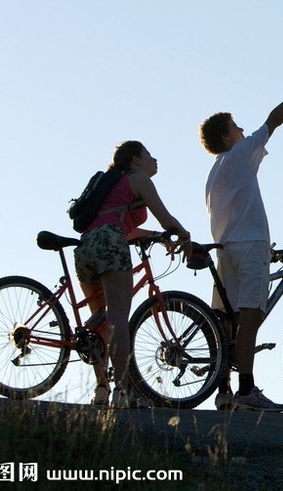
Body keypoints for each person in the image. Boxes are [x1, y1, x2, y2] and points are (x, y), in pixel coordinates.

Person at [199, 67, 283, 412]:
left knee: (226, 323)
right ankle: (247, 391)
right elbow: (274, 120)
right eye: (236, 127)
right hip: (249, 247)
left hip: (226, 250)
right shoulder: (240, 155)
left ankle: (223, 390)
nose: (242, 130)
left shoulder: (216, 171)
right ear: (227, 137)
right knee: (250, 319)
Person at [73, 141, 193, 407]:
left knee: (101, 324)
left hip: (85, 246)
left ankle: (102, 390)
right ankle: (124, 391)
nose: (155, 158)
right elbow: (166, 218)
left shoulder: (112, 185)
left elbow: (117, 223)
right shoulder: (137, 180)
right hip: (110, 242)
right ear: (136, 159)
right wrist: (185, 236)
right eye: (149, 154)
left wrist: (156, 237)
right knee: (117, 318)